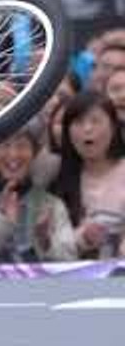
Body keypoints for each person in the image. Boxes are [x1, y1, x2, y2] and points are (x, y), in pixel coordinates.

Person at [0, 127, 77, 267]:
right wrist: (0, 220)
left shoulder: (51, 205)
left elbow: (69, 262)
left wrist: (45, 241)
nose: (13, 154)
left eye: (22, 146)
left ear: (34, 153)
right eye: (5, 146)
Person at [50, 91, 125, 259]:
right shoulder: (57, 175)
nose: (87, 129)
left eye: (96, 121)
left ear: (113, 127)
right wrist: (81, 239)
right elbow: (50, 251)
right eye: (78, 122)